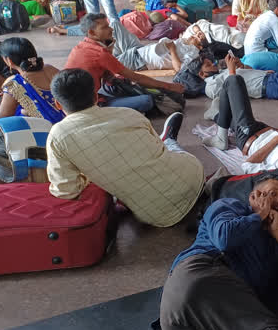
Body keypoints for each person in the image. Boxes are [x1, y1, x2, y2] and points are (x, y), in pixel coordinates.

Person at [160, 175, 278, 330]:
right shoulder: (230, 207)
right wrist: (258, 215)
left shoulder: (273, 244)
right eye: (273, 194)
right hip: (200, 274)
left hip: (190, 323)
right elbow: (224, 239)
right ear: (255, 195)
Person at [47, 69, 203, 227]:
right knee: (165, 149)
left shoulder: (58, 136)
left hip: (160, 214)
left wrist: (87, 175)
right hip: (194, 176)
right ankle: (168, 139)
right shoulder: (128, 113)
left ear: (57, 104)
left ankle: (168, 139)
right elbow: (158, 149)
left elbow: (66, 190)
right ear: (96, 96)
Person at [65, 13, 184, 112]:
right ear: (92, 33)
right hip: (88, 107)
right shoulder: (99, 53)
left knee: (122, 83)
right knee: (146, 100)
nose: (110, 29)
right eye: (105, 27)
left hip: (81, 99)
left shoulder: (82, 46)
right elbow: (136, 77)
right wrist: (170, 86)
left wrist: (109, 50)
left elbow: (108, 76)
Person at [0, 38, 64, 123]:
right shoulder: (50, 69)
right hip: (66, 119)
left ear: (9, 61)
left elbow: (0, 121)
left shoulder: (14, 84)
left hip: (44, 130)